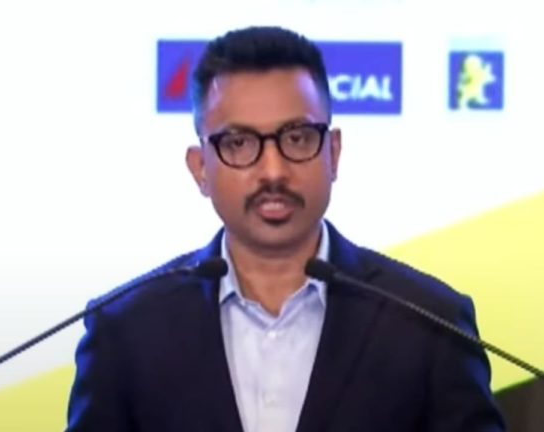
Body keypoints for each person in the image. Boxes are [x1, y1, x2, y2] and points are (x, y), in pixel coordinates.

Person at [65, 25, 506, 432]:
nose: (273, 171)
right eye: (239, 143)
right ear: (200, 168)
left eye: (297, 138)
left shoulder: (428, 321)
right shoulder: (126, 328)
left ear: (333, 152)